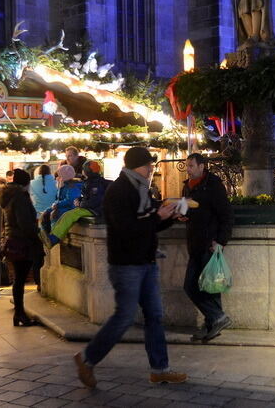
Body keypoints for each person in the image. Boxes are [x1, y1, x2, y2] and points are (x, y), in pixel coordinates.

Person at [73, 147, 186, 388]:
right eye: (148, 166)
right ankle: (86, 358)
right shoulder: (119, 191)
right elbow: (127, 229)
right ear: (137, 166)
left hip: (146, 261)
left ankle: (160, 368)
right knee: (124, 317)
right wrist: (158, 218)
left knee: (155, 316)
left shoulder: (141, 189)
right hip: (127, 265)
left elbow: (148, 227)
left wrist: (168, 217)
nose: (151, 170)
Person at [180, 153, 234, 342]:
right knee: (194, 286)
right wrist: (183, 215)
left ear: (202, 166)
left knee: (208, 286)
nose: (188, 169)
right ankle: (215, 320)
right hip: (194, 243)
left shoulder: (213, 185)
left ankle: (215, 321)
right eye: (187, 166)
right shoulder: (187, 187)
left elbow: (226, 214)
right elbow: (188, 210)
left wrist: (221, 241)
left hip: (209, 243)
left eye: (191, 166)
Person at [0, 168, 43, 327]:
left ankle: (19, 313)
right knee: (20, 279)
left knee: (18, 278)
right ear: (26, 183)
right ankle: (19, 313)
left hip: (13, 240)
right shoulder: (20, 197)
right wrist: (36, 236)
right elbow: (25, 223)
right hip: (22, 242)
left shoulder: (8, 196)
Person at [47, 160, 110, 246]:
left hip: (95, 210)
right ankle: (52, 235)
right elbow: (88, 197)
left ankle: (54, 238)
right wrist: (79, 200)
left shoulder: (94, 184)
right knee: (66, 214)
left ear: (87, 171)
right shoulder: (91, 182)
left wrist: (80, 204)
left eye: (83, 169)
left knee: (70, 215)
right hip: (93, 208)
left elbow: (94, 201)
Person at [40, 165, 82, 235]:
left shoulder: (72, 186)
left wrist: (57, 204)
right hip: (64, 206)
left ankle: (54, 234)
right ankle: (45, 233)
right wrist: (55, 204)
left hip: (70, 208)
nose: (57, 178)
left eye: (59, 176)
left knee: (54, 214)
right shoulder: (63, 185)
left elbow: (70, 200)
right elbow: (59, 198)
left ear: (64, 176)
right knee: (46, 213)